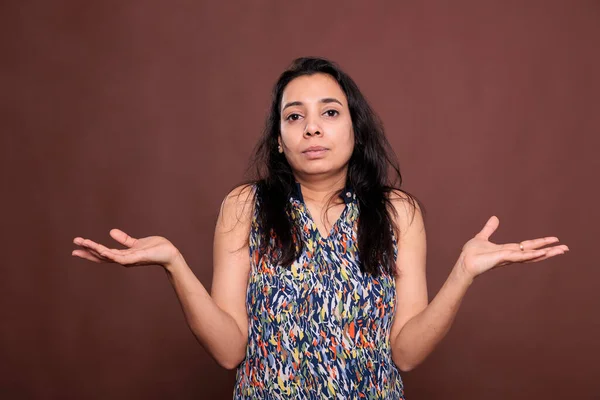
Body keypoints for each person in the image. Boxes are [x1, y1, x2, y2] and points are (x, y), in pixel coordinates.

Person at [72, 57, 569, 399]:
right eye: (295, 116)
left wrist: (463, 272)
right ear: (280, 141)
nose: (312, 127)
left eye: (329, 113)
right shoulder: (245, 206)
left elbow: (407, 354)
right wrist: (174, 265)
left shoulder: (399, 212)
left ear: (355, 128)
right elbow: (228, 352)